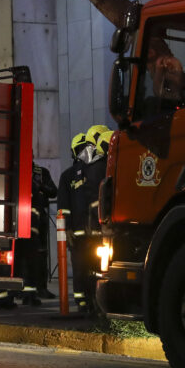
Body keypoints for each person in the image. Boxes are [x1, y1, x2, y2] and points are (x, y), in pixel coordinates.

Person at [56, 127, 109, 314]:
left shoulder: (93, 170)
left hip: (93, 233)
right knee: (80, 269)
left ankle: (95, 301)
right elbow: (63, 206)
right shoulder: (68, 176)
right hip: (78, 236)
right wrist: (67, 229)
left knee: (95, 268)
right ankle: (82, 302)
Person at [17, 161, 57, 305]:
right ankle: (20, 289)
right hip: (20, 219)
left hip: (39, 219)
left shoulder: (42, 172)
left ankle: (41, 288)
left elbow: (54, 192)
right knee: (21, 255)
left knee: (40, 254)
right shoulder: (17, 170)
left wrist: (40, 186)